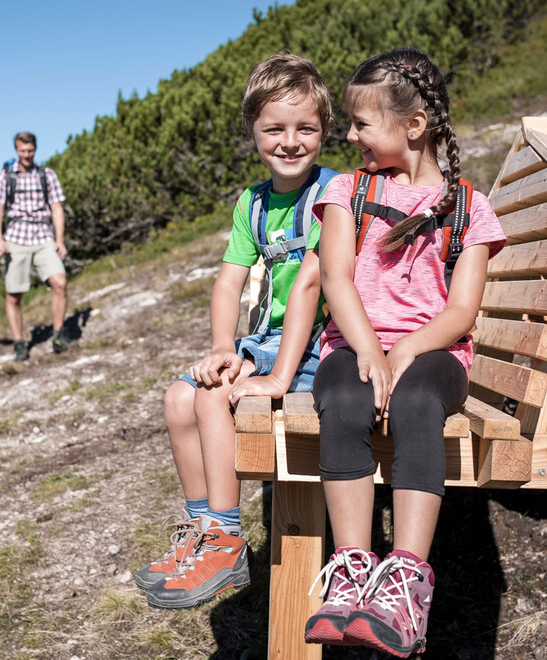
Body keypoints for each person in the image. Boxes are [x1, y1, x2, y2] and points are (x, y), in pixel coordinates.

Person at [303, 48, 506, 657]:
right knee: (344, 398)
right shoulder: (347, 191)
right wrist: (370, 349)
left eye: (361, 124)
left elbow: (460, 313)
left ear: (414, 125)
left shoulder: (470, 209)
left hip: (434, 351)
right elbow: (336, 279)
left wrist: (405, 352)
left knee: (417, 403)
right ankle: (351, 571)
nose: (350, 135)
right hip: (353, 342)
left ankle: (406, 585)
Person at [137, 52, 338, 610]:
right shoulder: (252, 204)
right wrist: (224, 346)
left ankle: (226, 540)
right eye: (274, 129)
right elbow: (229, 284)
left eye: (306, 128)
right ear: (252, 131)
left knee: (213, 395)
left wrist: (275, 374)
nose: (290, 142)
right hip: (265, 340)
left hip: (319, 344)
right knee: (178, 397)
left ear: (325, 131)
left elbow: (312, 289)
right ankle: (200, 527)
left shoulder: (333, 195)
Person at [0, 131, 72, 361]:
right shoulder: (6, 176)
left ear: (35, 149)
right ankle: (19, 343)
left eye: (30, 150)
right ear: (16, 150)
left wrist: (59, 239)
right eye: (22, 151)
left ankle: (58, 335)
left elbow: (57, 207)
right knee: (14, 295)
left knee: (60, 282)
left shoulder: (47, 175)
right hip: (16, 237)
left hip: (43, 235)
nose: (26, 155)